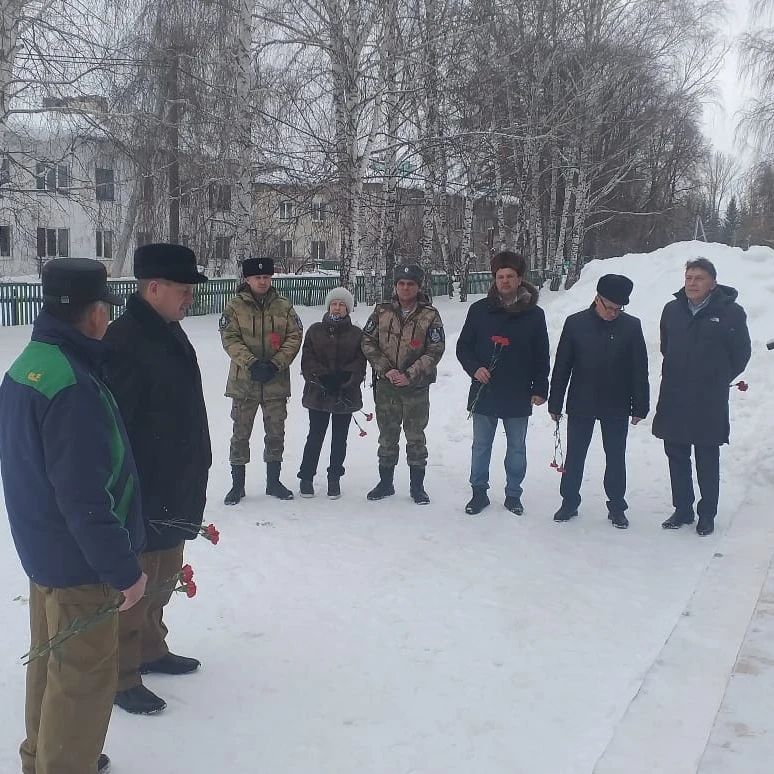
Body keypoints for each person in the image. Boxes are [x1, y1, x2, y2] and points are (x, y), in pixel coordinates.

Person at [0, 257, 146, 774]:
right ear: (95, 313)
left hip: (45, 551)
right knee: (82, 680)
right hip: (80, 562)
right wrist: (123, 570)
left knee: (51, 663)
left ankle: (42, 757)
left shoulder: (29, 364)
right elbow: (84, 496)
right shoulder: (73, 385)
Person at [103, 243, 211, 715]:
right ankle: (122, 674)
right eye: (183, 289)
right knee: (137, 583)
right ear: (153, 288)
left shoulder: (168, 330)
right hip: (146, 488)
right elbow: (118, 426)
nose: (190, 297)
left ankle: (150, 648)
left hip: (176, 483)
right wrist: (131, 492)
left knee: (164, 575)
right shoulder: (125, 340)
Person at [652, 257, 751, 536]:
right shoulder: (672, 310)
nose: (692, 283)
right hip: (675, 393)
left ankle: (707, 514)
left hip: (709, 397)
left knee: (707, 454)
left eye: (699, 278)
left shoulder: (731, 312)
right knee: (676, 453)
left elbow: (741, 353)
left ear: (713, 283)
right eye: (689, 278)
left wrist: (718, 377)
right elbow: (666, 346)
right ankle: (682, 509)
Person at [548, 274, 649, 528]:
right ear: (597, 299)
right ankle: (569, 502)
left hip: (616, 403)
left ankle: (617, 506)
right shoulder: (575, 324)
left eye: (619, 309)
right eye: (610, 307)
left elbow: (639, 369)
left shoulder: (631, 326)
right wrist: (555, 402)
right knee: (575, 455)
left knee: (615, 457)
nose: (614, 313)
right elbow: (562, 366)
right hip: (581, 401)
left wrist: (640, 405)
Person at [456, 251, 549, 515]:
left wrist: (540, 388)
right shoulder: (479, 310)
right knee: (481, 445)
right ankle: (479, 492)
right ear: (494, 279)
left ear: (520, 279)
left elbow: (541, 355)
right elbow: (463, 347)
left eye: (510, 276)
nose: (505, 281)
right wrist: (475, 368)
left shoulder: (534, 314)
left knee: (517, 448)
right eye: (500, 277)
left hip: (518, 390)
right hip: (485, 389)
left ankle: (513, 494)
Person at [221, 257, 303, 503]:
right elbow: (229, 338)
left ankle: (273, 482)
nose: (263, 281)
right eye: (257, 277)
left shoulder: (283, 306)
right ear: (247, 279)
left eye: (266, 277)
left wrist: (276, 363)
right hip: (244, 381)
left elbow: (294, 336)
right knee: (240, 434)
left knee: (276, 433)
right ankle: (237, 485)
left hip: (275, 381)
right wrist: (252, 363)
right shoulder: (235, 307)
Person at [361, 263, 445, 504]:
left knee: (415, 436)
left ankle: (417, 487)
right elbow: (367, 341)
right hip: (386, 385)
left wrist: (409, 374)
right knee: (387, 435)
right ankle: (385, 483)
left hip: (415, 387)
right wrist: (386, 370)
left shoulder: (429, 315)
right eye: (401, 283)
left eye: (410, 284)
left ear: (418, 287)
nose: (405, 288)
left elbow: (435, 349)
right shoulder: (382, 311)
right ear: (395, 286)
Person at [297, 287, 367, 498]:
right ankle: (306, 477)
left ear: (348, 308)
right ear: (328, 306)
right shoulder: (315, 331)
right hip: (319, 393)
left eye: (342, 304)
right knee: (315, 436)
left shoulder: (356, 334)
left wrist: (346, 378)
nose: (337, 308)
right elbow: (307, 359)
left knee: (339, 438)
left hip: (345, 394)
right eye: (334, 304)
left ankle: (334, 478)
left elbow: (360, 362)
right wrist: (323, 377)